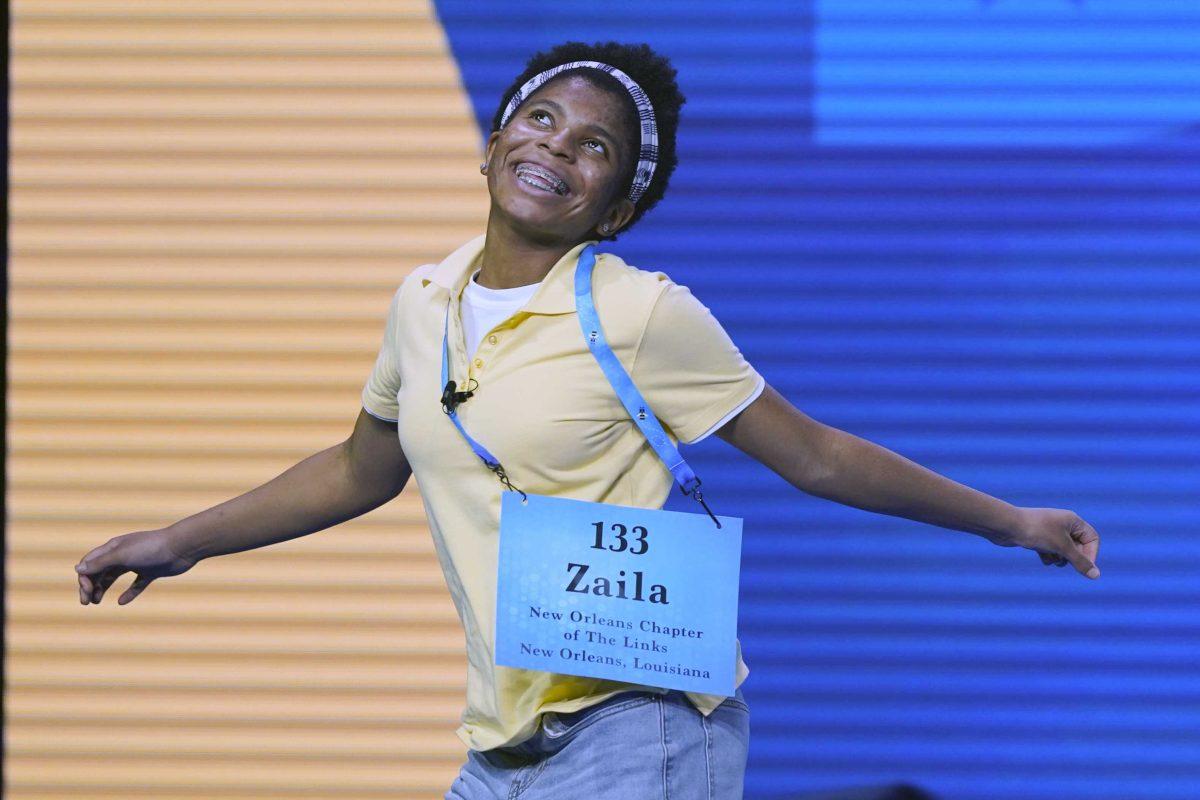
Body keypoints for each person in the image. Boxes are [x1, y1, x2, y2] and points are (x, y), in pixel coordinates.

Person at [73, 40, 1102, 800]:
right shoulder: (422, 301)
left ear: (616, 205)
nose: (557, 149)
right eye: (542, 121)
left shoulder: (639, 310)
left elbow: (819, 457)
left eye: (595, 147)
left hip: (642, 725)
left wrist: (1011, 521)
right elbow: (359, 468)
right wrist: (180, 539)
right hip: (501, 740)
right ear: (492, 145)